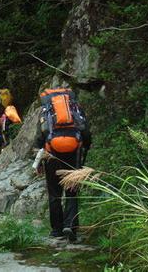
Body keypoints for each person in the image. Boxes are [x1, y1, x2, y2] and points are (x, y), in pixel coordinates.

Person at [34, 87, 91, 242]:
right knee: (72, 191)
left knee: (54, 194)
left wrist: (39, 160)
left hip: (51, 154)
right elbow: (86, 133)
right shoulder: (75, 109)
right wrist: (84, 148)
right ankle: (70, 226)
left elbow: (39, 138)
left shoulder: (46, 111)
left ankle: (56, 230)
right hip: (73, 154)